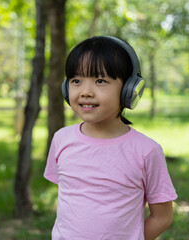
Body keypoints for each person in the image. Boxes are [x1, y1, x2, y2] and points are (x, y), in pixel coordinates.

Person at [44, 36, 177, 240]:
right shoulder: (61, 139)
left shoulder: (146, 151)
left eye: (100, 81)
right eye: (76, 81)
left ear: (128, 90)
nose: (86, 92)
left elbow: (163, 217)